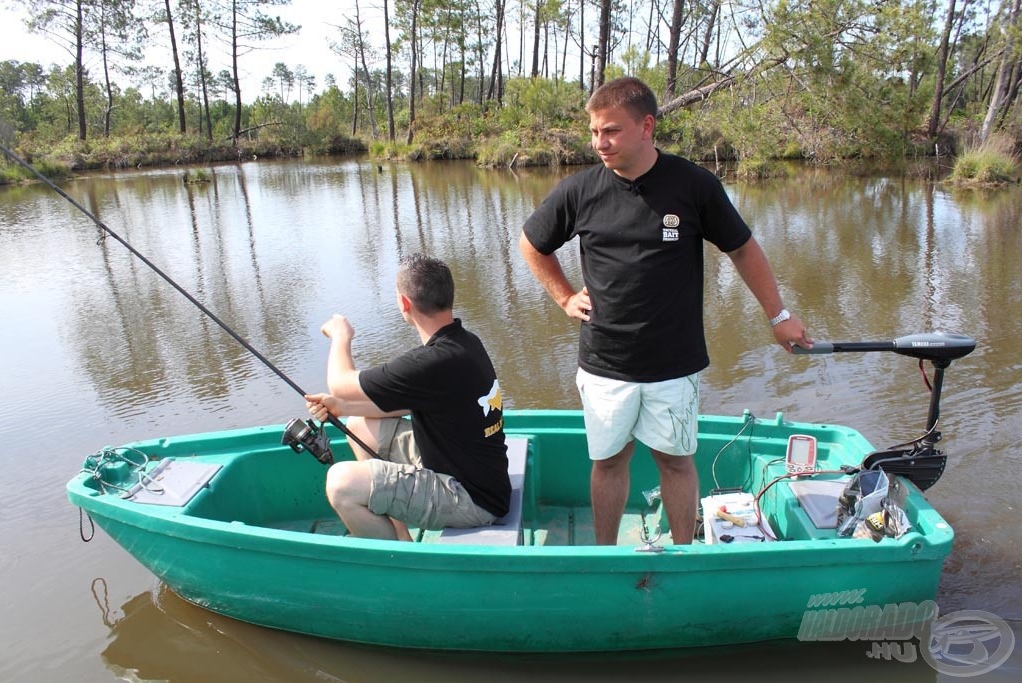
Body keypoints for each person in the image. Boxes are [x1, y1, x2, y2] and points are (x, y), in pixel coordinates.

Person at [519, 77, 812, 545]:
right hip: (604, 363)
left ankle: (682, 553)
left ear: (647, 126)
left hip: (674, 363)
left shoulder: (692, 185)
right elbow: (532, 244)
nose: (600, 143)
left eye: (611, 131)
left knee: (675, 461)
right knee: (608, 461)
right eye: (594, 132)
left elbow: (743, 249)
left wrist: (779, 317)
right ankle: (605, 554)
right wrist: (564, 297)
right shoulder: (580, 191)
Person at [304, 253, 510, 541]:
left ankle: (397, 563)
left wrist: (341, 336)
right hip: (477, 475)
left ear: (404, 303)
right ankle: (400, 533)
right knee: (360, 424)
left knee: (341, 484)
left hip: (471, 500)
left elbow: (340, 383)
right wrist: (342, 406)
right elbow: (408, 401)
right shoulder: (464, 343)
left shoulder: (430, 362)